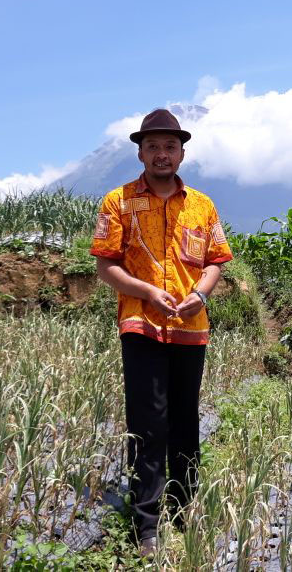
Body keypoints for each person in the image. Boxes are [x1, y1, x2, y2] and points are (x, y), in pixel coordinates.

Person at [89, 108, 233, 556]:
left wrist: (202, 295)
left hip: (191, 327)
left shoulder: (202, 205)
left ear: (182, 151)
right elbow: (105, 266)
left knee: (185, 418)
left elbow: (214, 261)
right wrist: (147, 292)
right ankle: (146, 524)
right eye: (153, 146)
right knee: (148, 422)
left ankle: (184, 506)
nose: (162, 154)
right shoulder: (119, 201)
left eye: (170, 146)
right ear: (140, 152)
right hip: (141, 323)